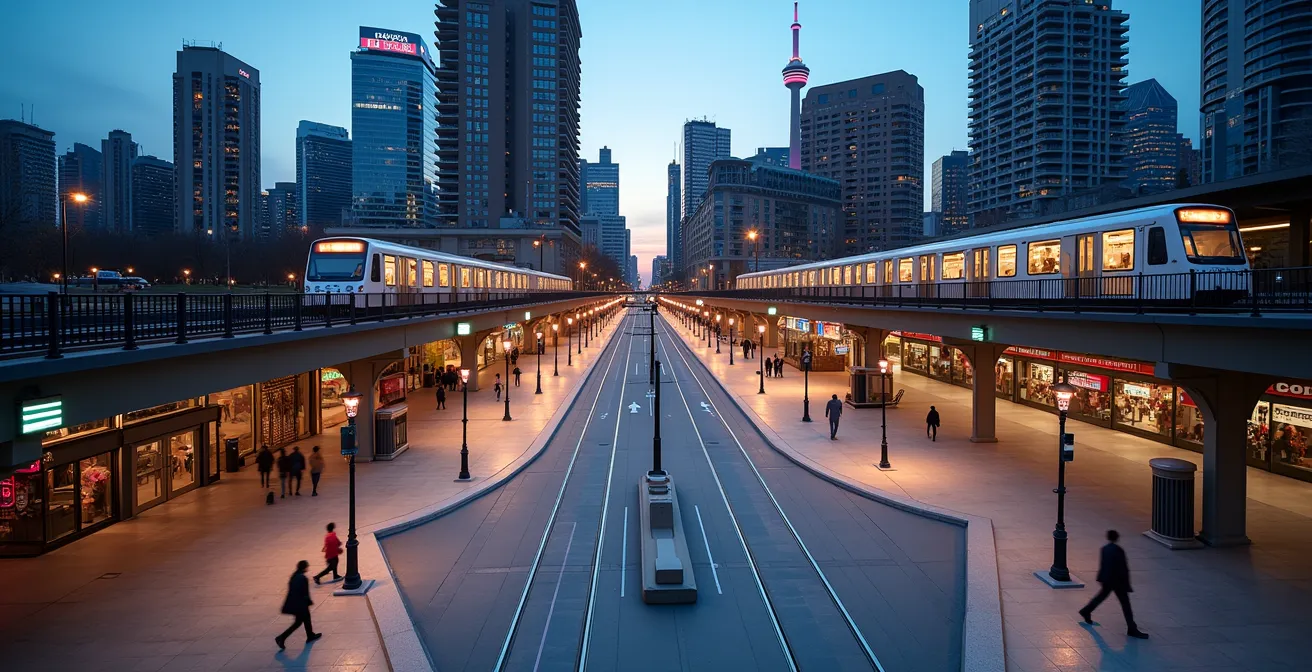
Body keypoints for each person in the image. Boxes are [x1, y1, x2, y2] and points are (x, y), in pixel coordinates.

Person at [1079, 530, 1149, 639]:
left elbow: (1103, 565)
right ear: (1116, 538)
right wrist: (1127, 584)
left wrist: (1101, 578)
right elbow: (1123, 569)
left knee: (1100, 597)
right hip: (1117, 582)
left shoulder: (1104, 549)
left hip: (1107, 580)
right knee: (1125, 605)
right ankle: (1131, 628)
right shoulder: (1118, 550)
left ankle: (1086, 611)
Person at [275, 560, 321, 649]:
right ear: (304, 567)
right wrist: (308, 601)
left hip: (295, 604)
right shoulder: (303, 578)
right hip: (301, 604)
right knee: (301, 621)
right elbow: (304, 592)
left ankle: (310, 635)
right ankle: (281, 637)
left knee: (301, 621)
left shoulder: (294, 576)